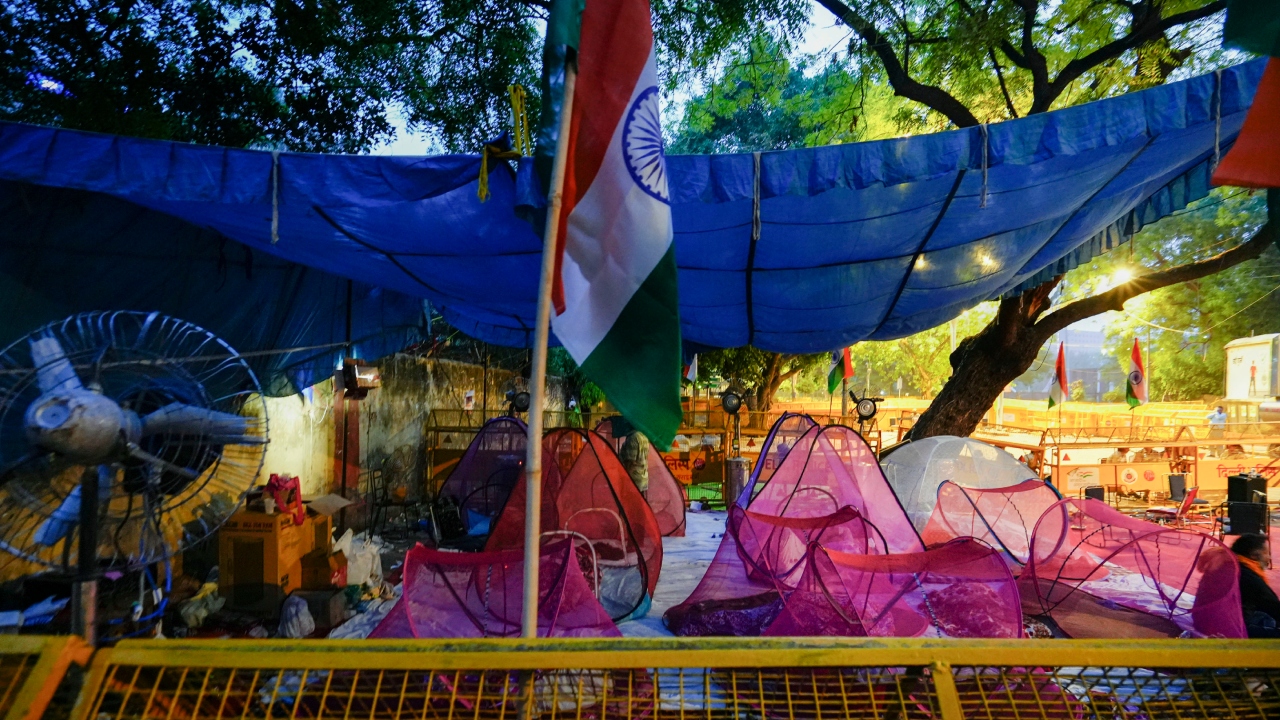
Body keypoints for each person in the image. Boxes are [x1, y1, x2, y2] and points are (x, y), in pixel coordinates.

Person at [1232, 534, 1280, 638]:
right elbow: (1273, 606)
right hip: (1238, 628)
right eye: (1266, 553)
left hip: (1208, 621)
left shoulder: (1230, 565)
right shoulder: (1247, 576)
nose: (1269, 558)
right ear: (1254, 555)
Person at [615, 417, 649, 494]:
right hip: (642, 477)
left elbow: (631, 462)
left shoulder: (633, 438)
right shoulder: (644, 436)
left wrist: (625, 480)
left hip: (633, 480)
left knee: (630, 503)